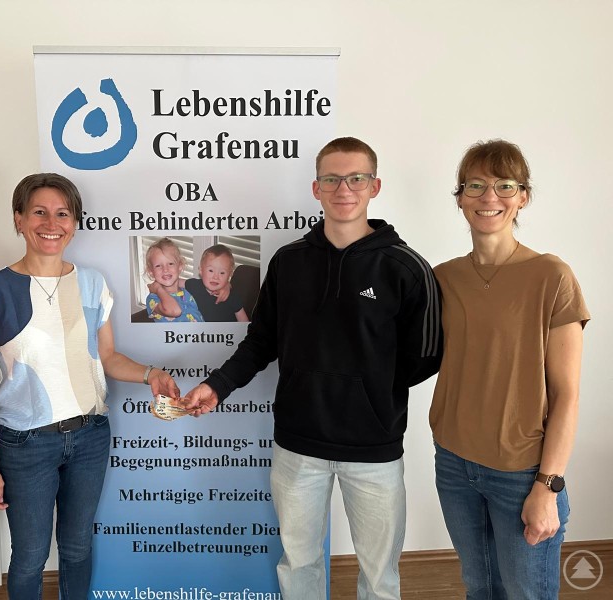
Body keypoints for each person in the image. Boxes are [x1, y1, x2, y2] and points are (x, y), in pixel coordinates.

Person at [183, 137, 442, 600]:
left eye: (356, 178)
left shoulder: (405, 267)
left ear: (374, 186)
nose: (344, 188)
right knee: (298, 562)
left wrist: (366, 390)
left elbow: (426, 353)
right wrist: (217, 386)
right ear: (316, 187)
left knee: (379, 574)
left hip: (374, 448)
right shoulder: (288, 262)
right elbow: (261, 341)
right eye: (331, 179)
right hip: (298, 445)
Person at [0, 173, 180, 599]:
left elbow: (108, 358)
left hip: (90, 437)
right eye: (39, 212)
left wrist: (151, 373)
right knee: (29, 556)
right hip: (26, 445)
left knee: (78, 548)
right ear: (19, 219)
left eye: (63, 213)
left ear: (75, 222)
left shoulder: (93, 283)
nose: (52, 223)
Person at [430, 139, 589, 599]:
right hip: (454, 463)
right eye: (476, 185)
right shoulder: (442, 278)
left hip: (522, 473)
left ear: (523, 196)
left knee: (526, 594)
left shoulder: (551, 276)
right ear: (460, 197)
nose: (489, 197)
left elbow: (566, 395)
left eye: (504, 185)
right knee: (479, 587)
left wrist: (548, 486)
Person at [144, 236, 204, 322]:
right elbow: (174, 311)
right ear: (151, 272)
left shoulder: (187, 292)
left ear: (180, 266)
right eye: (158, 266)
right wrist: (158, 289)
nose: (165, 269)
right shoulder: (154, 298)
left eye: (170, 263)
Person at [184, 244, 249, 322]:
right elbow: (174, 282)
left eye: (222, 273)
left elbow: (244, 323)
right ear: (201, 270)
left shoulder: (232, 297)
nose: (216, 277)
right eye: (211, 270)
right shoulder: (194, 285)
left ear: (230, 275)